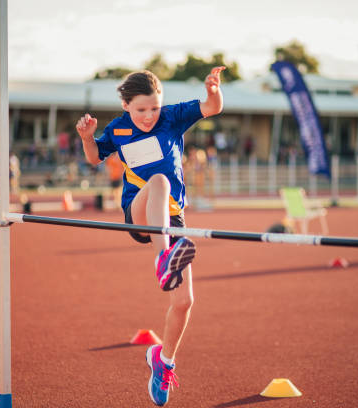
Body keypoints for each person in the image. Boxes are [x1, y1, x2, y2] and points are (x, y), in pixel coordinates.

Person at [76, 66, 225, 406]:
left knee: (185, 302)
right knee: (159, 181)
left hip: (173, 217)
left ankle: (164, 360)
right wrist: (87, 137)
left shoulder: (172, 117)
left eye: (154, 108)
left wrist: (214, 90)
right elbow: (96, 157)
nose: (149, 116)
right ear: (126, 105)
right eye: (141, 109)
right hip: (139, 213)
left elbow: (212, 107)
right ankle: (163, 258)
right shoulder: (118, 128)